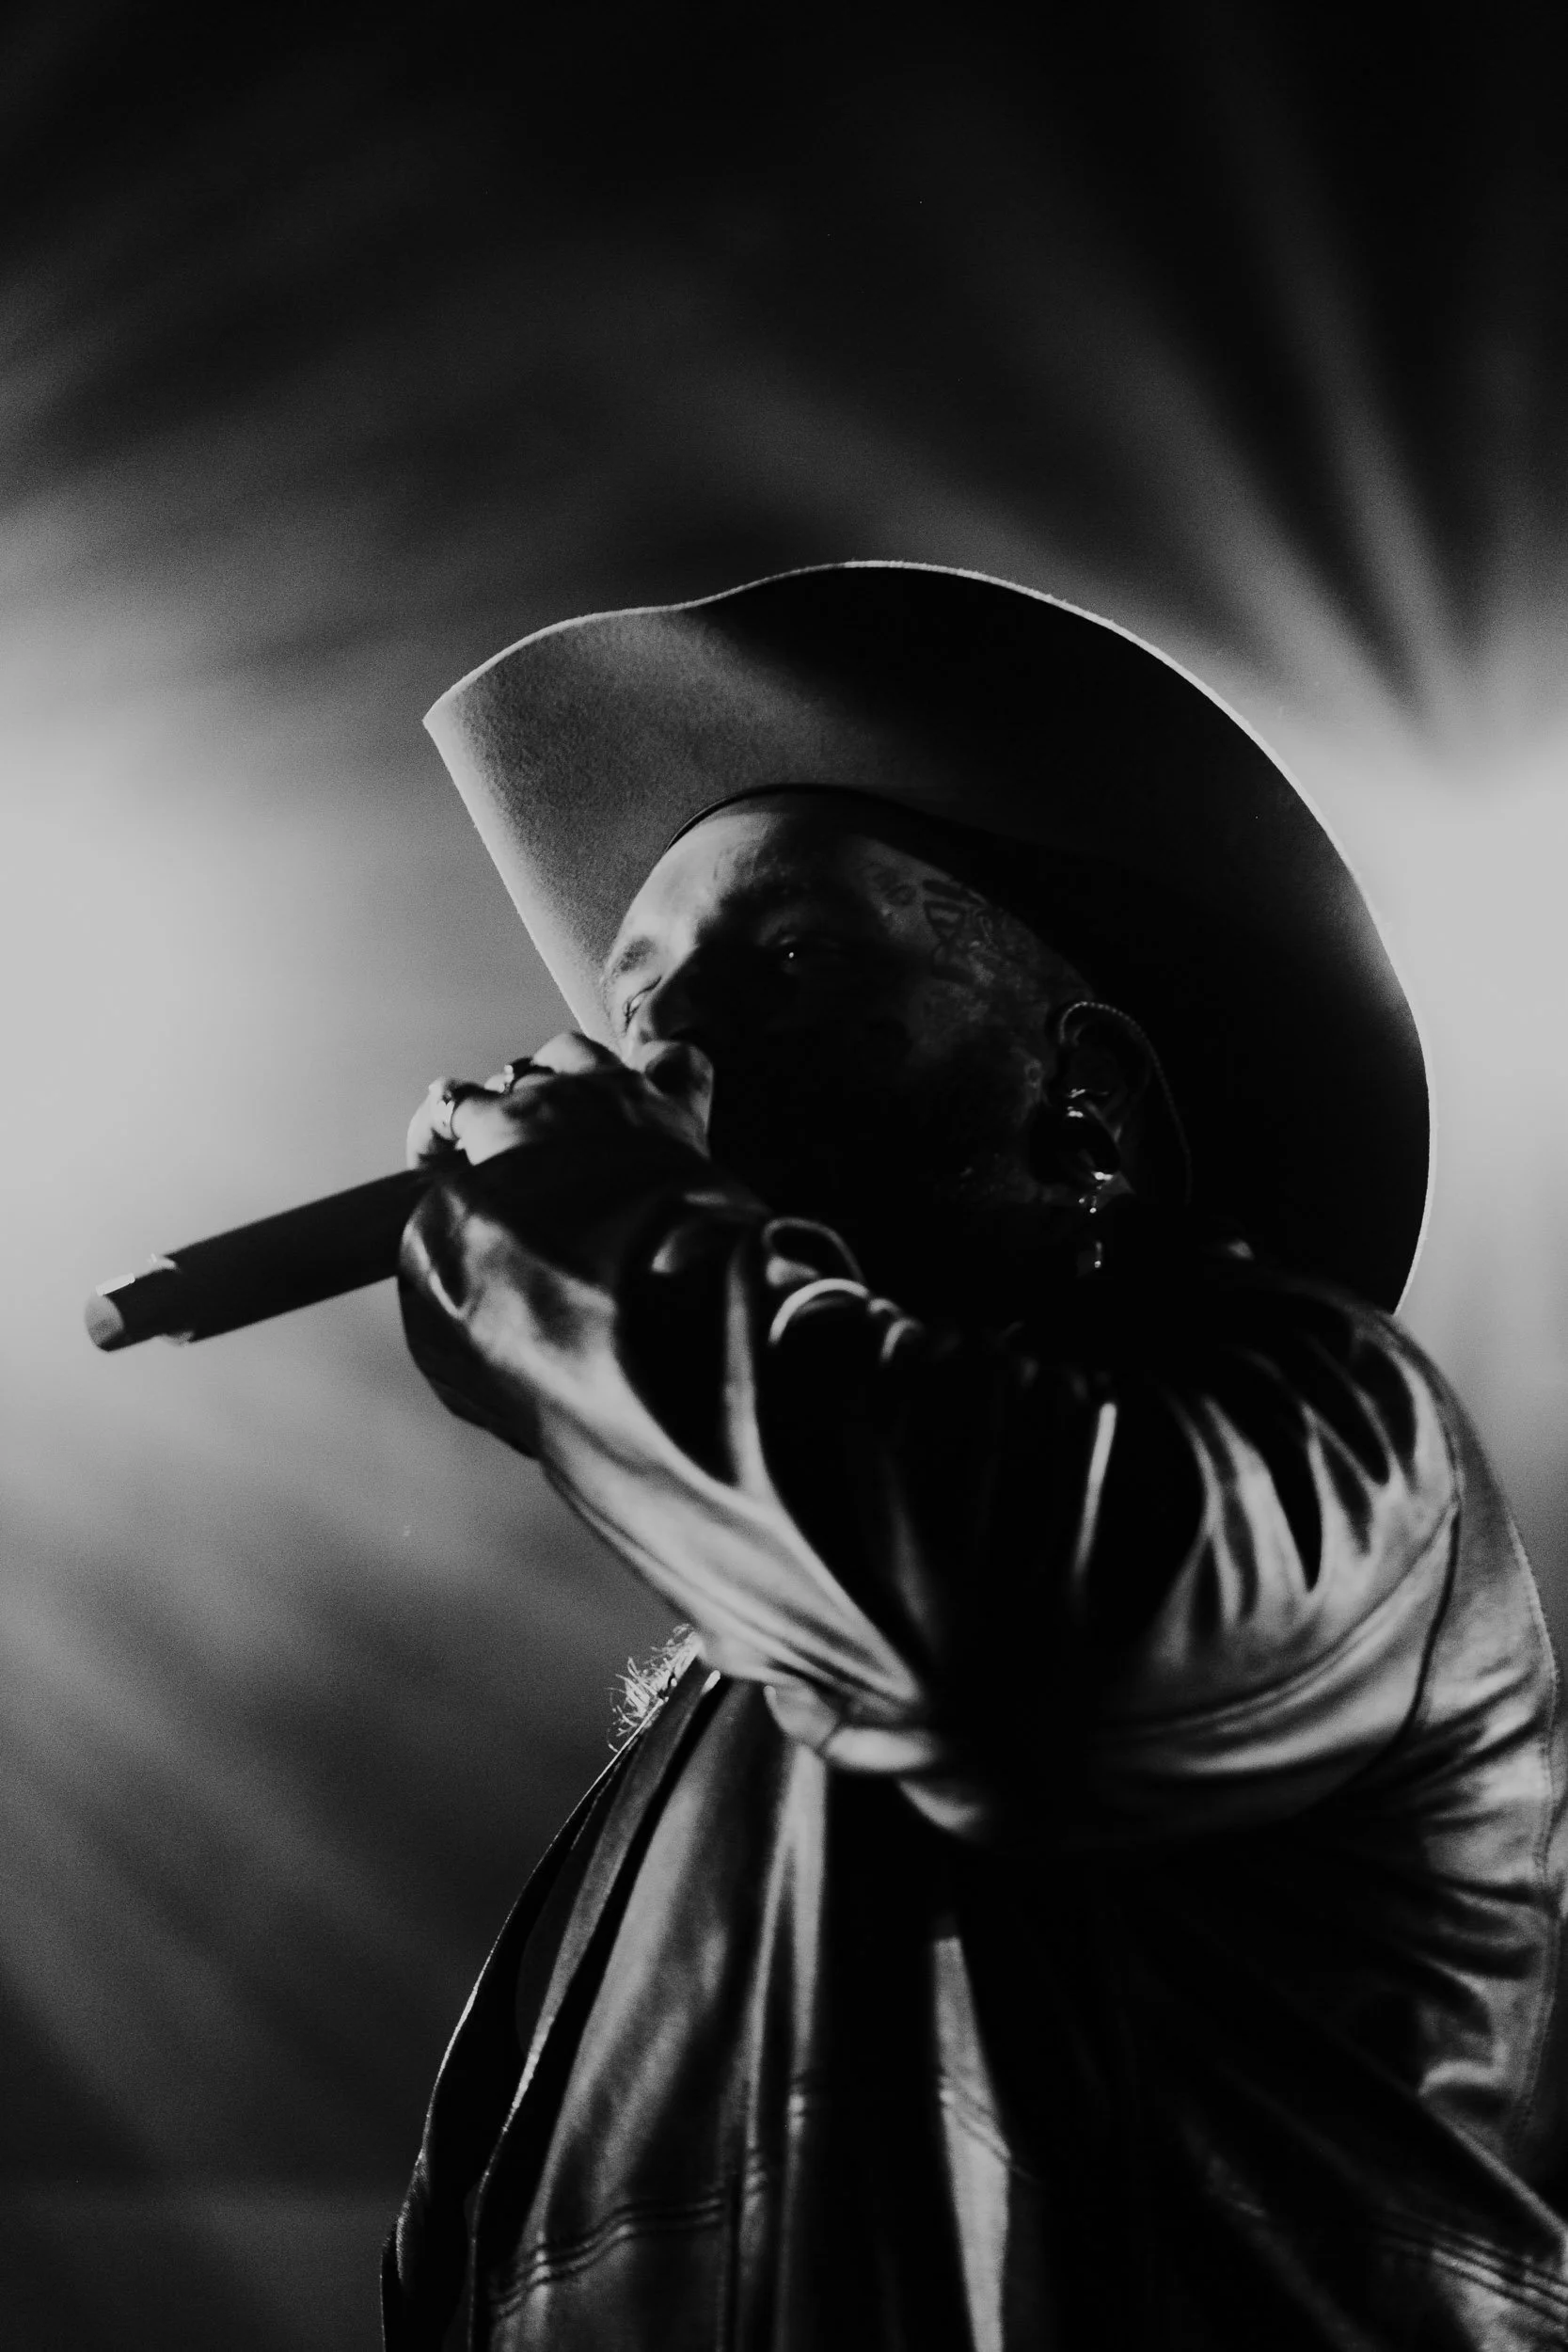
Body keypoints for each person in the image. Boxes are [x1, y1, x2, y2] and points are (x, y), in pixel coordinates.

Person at [380, 564, 1568, 2350]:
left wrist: (606, 1250)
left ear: (1082, 1093)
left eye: (788, 961)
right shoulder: (694, 1751)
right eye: (638, 1010)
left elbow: (1023, 1661)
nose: (669, 1049)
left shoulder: (1331, 1426)